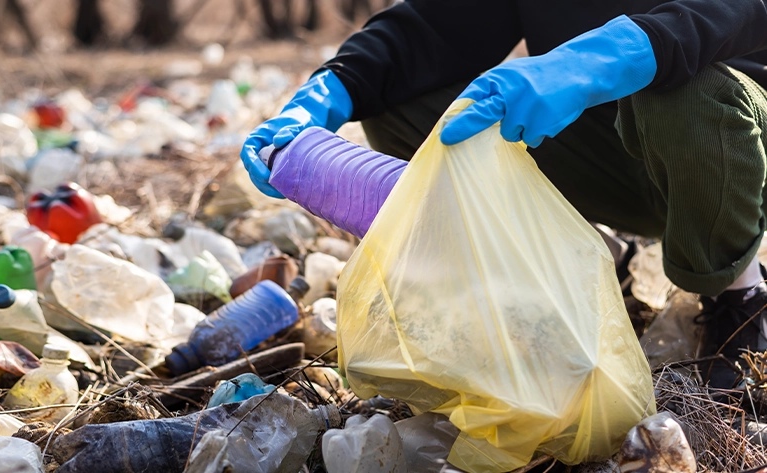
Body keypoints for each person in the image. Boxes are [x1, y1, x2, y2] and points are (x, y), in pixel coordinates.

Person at [240, 0, 767, 388]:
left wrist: (601, 58)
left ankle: (737, 297)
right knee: (404, 99)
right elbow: (432, 26)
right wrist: (332, 88)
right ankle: (577, 251)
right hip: (617, 151)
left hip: (734, 142)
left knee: (685, 89)